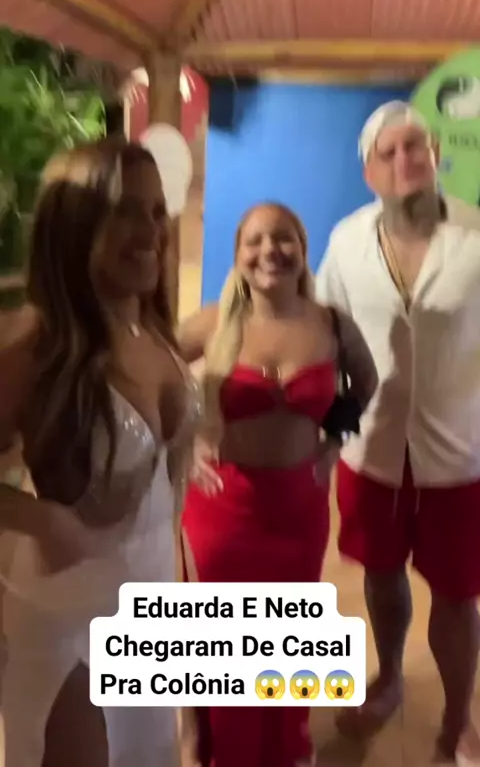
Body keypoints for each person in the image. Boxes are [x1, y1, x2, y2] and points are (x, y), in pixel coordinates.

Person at [0, 138, 201, 767]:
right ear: (75, 221)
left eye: (157, 211)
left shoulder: (153, 327)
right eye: (125, 211)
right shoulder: (34, 346)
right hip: (69, 622)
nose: (151, 231)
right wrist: (44, 519)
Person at [177, 201, 378, 767]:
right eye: (256, 240)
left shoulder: (331, 324)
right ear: (238, 254)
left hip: (298, 507)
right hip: (222, 509)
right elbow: (150, 376)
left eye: (284, 237)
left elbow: (365, 383)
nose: (271, 250)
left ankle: (285, 747)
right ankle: (213, 748)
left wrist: (334, 442)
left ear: (303, 250)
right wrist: (184, 442)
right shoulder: (212, 323)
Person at [316, 100, 480, 767]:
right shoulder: (346, 241)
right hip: (373, 450)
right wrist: (322, 429)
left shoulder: (476, 235)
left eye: (416, 146)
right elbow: (324, 336)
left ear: (436, 155)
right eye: (388, 152)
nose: (404, 158)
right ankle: (388, 677)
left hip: (461, 452)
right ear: (370, 173)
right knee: (382, 575)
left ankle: (458, 719)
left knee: (459, 594)